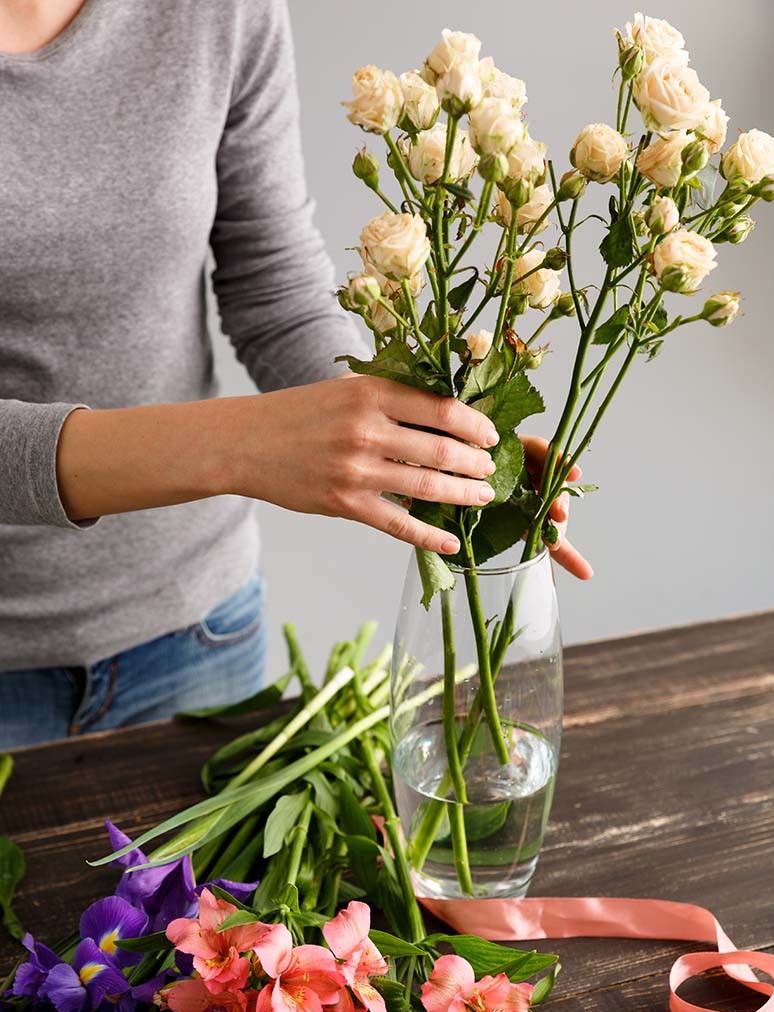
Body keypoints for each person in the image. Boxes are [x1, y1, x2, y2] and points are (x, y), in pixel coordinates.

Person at [0, 0, 590, 752]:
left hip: (197, 636)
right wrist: (237, 445)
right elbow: (243, 437)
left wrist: (416, 446)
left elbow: (272, 285)